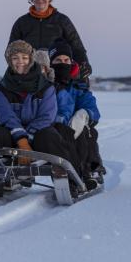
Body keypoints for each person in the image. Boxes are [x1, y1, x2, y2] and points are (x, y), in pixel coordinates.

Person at [0, 40, 78, 169]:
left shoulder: (46, 87)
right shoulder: (1, 90)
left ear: (31, 59)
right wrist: (22, 141)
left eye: (24, 57)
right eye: (15, 58)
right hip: (13, 135)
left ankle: (71, 180)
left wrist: (27, 140)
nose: (20, 61)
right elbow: (7, 117)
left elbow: (46, 117)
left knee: (51, 137)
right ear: (9, 60)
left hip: (39, 135)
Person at [9, 0, 92, 79]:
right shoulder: (21, 22)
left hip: (58, 73)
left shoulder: (62, 20)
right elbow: (11, 50)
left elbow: (76, 46)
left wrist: (84, 63)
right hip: (31, 74)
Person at [49, 38, 105, 187]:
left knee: (87, 131)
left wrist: (85, 115)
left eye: (66, 59)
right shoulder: (45, 85)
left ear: (71, 61)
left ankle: (91, 169)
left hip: (74, 129)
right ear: (50, 63)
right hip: (51, 129)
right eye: (58, 60)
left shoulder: (78, 85)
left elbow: (92, 109)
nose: (63, 63)